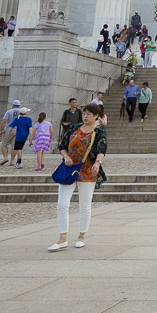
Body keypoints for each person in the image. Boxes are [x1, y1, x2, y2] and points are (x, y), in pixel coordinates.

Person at [48, 103, 107, 252]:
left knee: (85, 204)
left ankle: (81, 236)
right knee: (62, 203)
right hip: (69, 169)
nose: (85, 116)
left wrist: (98, 163)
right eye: (84, 113)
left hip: (87, 171)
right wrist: (66, 156)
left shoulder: (99, 131)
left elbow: (102, 148)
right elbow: (62, 145)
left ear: (96, 116)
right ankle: (62, 238)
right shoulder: (74, 128)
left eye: (89, 114)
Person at [0, 99, 22, 166]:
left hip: (9, 130)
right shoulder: (21, 112)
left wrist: (1, 130)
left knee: (4, 144)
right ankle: (12, 160)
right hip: (18, 130)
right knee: (14, 146)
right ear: (19, 105)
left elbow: (4, 121)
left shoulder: (9, 112)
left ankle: (5, 157)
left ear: (13, 105)